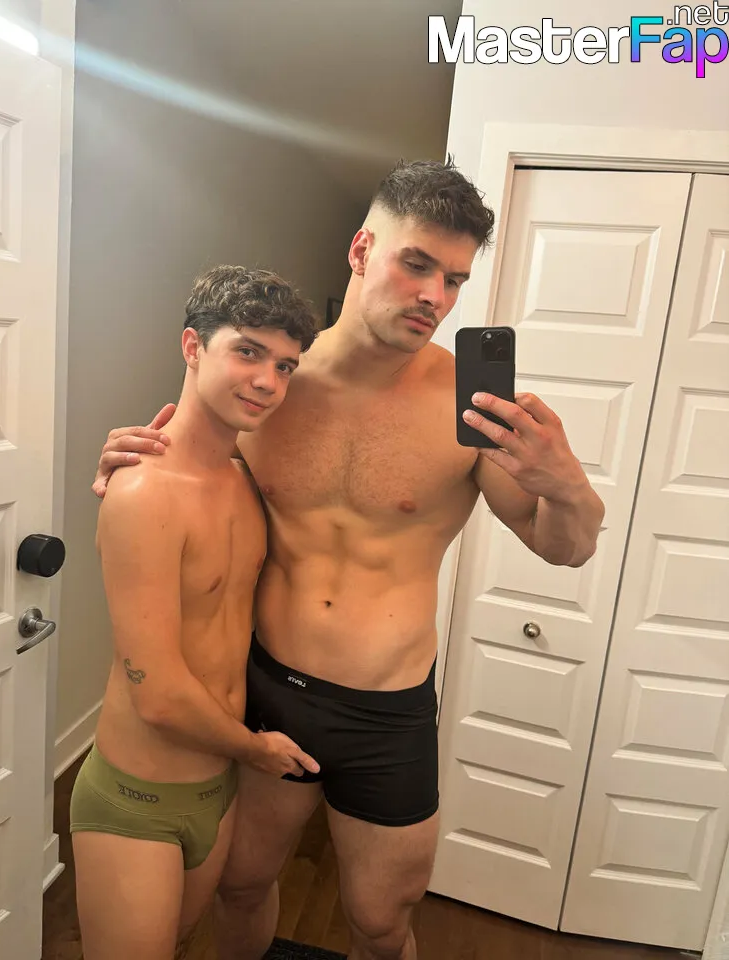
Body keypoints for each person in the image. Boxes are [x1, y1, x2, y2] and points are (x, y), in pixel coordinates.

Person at [92, 158, 605, 960]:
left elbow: (562, 548)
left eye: (455, 280)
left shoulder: (470, 399)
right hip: (271, 686)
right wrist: (127, 462)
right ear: (363, 250)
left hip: (387, 712)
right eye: (417, 264)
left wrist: (568, 487)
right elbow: (184, 471)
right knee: (241, 885)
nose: (436, 296)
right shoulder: (273, 383)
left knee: (379, 923)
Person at [70, 265, 321, 960]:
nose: (268, 381)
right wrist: (257, 751)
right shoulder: (144, 493)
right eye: (248, 352)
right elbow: (157, 695)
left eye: (285, 366)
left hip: (217, 786)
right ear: (192, 346)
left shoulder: (246, 480)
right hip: (137, 800)